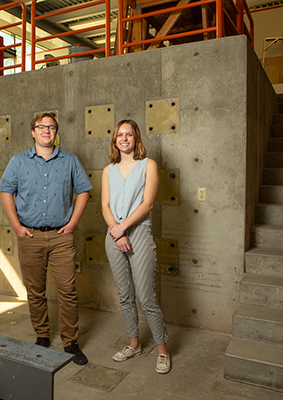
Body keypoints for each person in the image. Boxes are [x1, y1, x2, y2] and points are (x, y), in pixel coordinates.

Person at [0, 112, 92, 365]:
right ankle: (42, 335)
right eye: (41, 127)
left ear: (56, 132)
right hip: (30, 236)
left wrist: (72, 224)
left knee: (68, 291)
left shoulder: (70, 161)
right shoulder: (18, 161)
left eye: (51, 127)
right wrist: (17, 227)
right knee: (35, 291)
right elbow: (6, 192)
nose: (46, 131)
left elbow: (84, 192)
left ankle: (71, 342)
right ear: (33, 132)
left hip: (61, 236)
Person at [101, 119, 171, 374]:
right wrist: (117, 233)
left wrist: (123, 228)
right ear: (115, 140)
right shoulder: (109, 170)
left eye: (129, 134)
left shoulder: (148, 165)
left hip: (139, 232)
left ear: (136, 139)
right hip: (114, 235)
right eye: (120, 134)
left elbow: (148, 204)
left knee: (146, 296)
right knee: (125, 295)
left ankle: (162, 350)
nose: (124, 138)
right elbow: (105, 206)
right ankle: (134, 344)